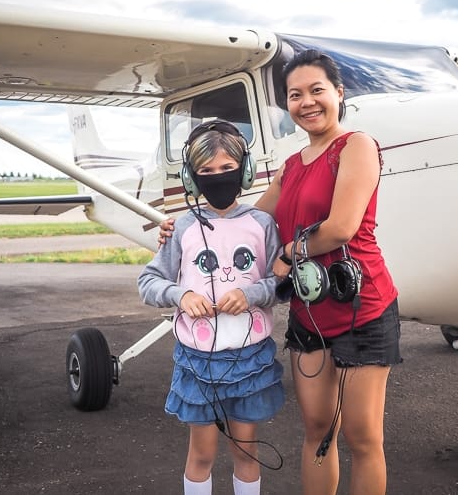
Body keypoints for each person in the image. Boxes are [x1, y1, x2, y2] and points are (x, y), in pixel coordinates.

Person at [161, 50, 401, 494]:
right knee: (318, 432)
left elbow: (340, 228)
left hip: (361, 309)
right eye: (295, 95)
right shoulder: (292, 165)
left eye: (317, 90)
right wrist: (182, 225)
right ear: (287, 104)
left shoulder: (357, 146)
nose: (307, 101)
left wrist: (287, 253)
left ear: (338, 93)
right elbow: (241, 220)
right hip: (311, 314)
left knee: (362, 437)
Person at [138, 120, 285, 495]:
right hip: (198, 363)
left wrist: (251, 294)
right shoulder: (183, 227)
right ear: (191, 178)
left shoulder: (262, 224)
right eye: (206, 171)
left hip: (251, 359)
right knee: (201, 454)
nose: (217, 177)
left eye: (226, 168)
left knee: (246, 452)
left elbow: (281, 283)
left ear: (244, 170)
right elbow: (149, 281)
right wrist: (181, 296)